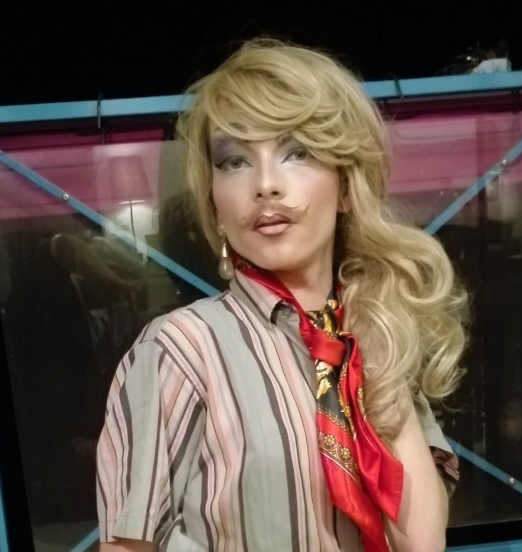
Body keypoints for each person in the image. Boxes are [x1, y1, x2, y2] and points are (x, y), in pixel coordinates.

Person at [96, 38, 468, 552]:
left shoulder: (370, 338)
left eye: (297, 152)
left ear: (345, 187)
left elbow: (421, 542)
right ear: (216, 204)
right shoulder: (179, 350)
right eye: (234, 161)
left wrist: (377, 347)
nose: (266, 185)